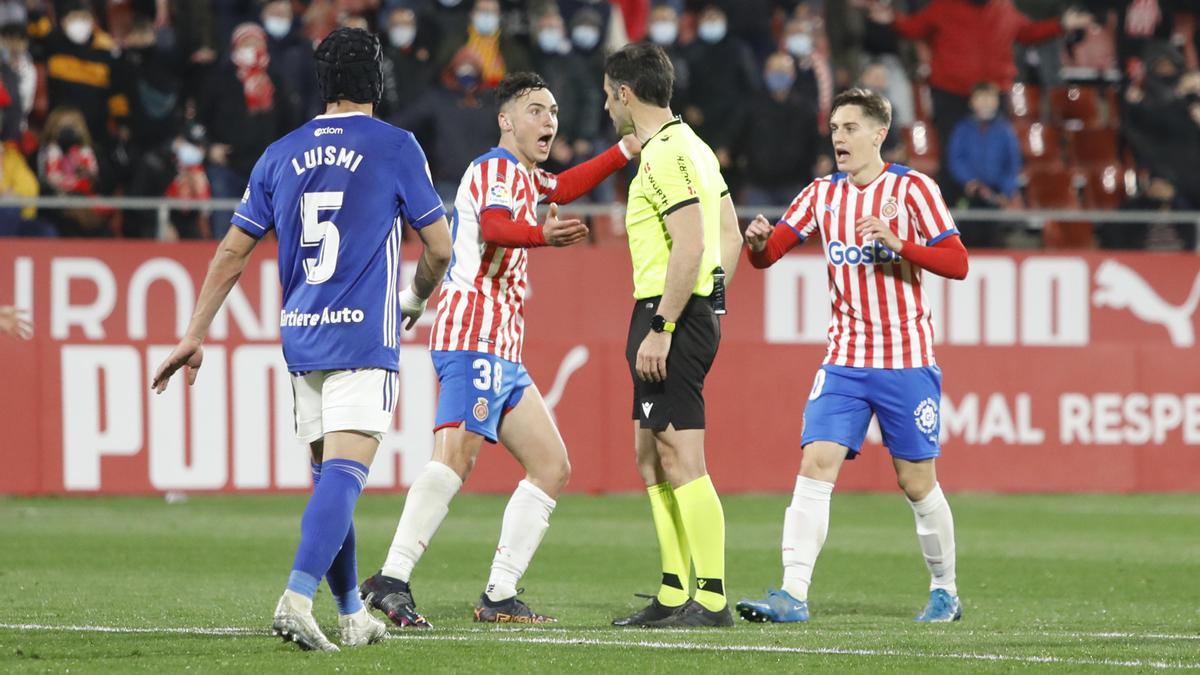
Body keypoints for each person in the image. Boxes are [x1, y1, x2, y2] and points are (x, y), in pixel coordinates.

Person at [150, 27, 453, 651]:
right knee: (346, 474)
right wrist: (416, 298)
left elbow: (234, 250)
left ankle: (349, 613)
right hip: (365, 337)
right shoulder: (396, 146)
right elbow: (441, 247)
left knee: (327, 480)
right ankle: (295, 597)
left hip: (302, 336)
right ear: (375, 80)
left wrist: (194, 333)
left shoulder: (280, 152)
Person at [359, 71, 641, 627]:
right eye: (536, 110)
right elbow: (493, 227)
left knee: (551, 465)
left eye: (554, 110)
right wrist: (543, 236)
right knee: (455, 459)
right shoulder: (494, 168)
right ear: (506, 121)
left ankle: (499, 595)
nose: (550, 120)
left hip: (503, 344)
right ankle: (390, 578)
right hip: (474, 334)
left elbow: (562, 188)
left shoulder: (526, 176)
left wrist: (625, 149)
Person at [735, 88, 969, 625]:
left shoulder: (912, 189)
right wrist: (756, 241)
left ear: (879, 132)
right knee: (815, 465)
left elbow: (957, 263)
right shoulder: (821, 194)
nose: (838, 137)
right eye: (835, 128)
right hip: (844, 359)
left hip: (905, 359)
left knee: (916, 483)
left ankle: (945, 591)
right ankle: (792, 595)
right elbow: (770, 256)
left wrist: (900, 244)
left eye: (849, 127)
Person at [603, 43, 744, 628]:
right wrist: (712, 301)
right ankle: (672, 589)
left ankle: (709, 598)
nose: (606, 104)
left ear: (625, 94)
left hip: (668, 314)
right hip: (676, 309)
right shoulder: (692, 148)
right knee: (649, 455)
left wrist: (670, 323)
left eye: (607, 93)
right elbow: (729, 233)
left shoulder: (666, 156)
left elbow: (692, 243)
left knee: (680, 455)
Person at [946, 81, 1021, 247]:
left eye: (989, 98)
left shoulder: (1005, 130)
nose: (985, 102)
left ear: (996, 101)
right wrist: (968, 181)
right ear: (972, 102)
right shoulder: (963, 129)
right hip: (970, 193)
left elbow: (1013, 163)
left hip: (996, 195)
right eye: (981, 98)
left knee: (994, 237)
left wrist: (1006, 190)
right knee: (969, 236)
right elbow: (956, 158)